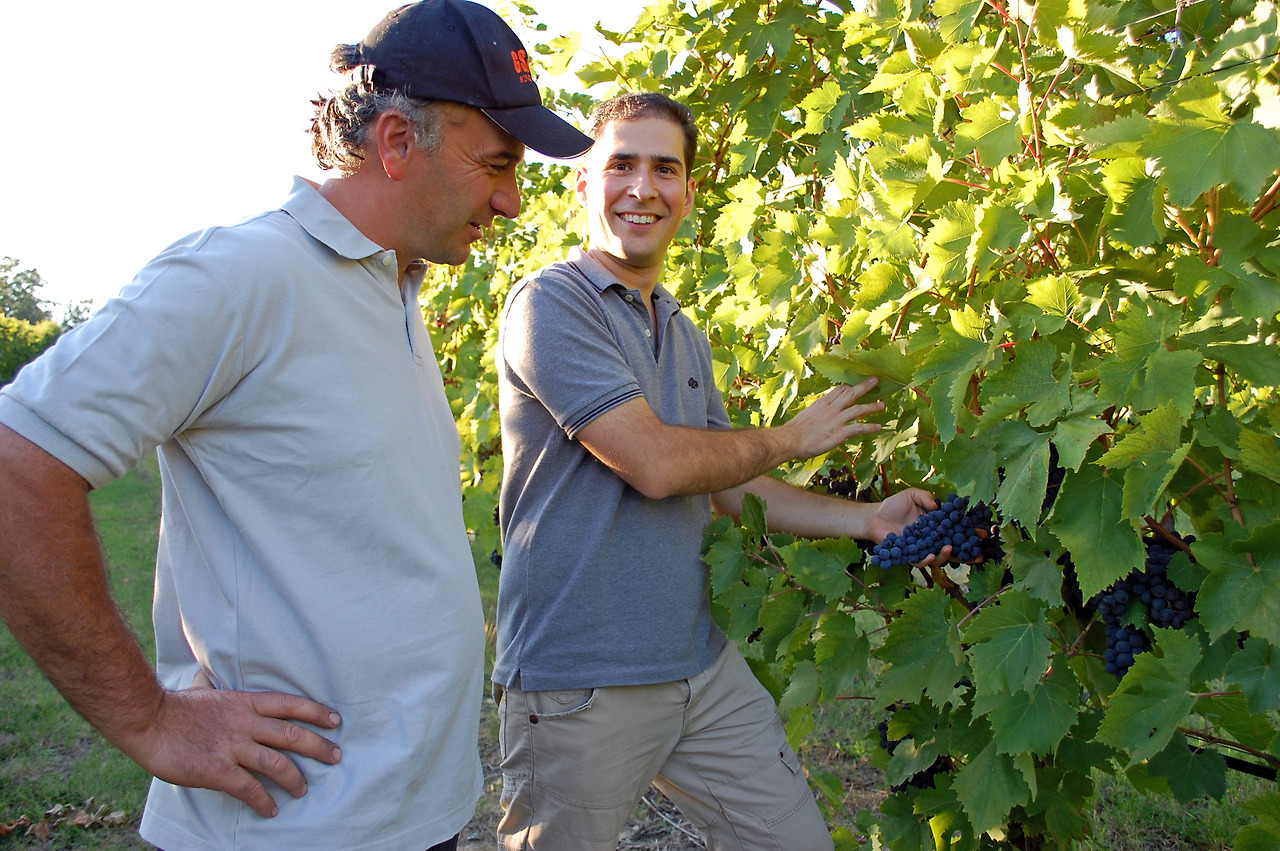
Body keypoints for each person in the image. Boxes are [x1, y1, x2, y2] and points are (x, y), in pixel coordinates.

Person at [0, 3, 591, 850]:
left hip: (415, 814)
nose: (512, 200)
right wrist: (150, 719)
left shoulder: (397, 285)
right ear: (395, 142)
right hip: (290, 826)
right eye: (496, 164)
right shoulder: (241, 275)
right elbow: (18, 460)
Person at [493, 92, 949, 850]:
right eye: (621, 166)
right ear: (584, 185)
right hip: (581, 684)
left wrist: (864, 520)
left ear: (688, 192)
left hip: (700, 670)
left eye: (664, 169)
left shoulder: (682, 330)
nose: (643, 188)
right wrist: (792, 436)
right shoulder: (551, 305)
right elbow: (659, 463)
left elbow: (724, 480)